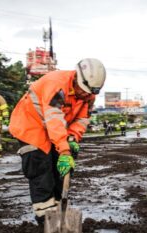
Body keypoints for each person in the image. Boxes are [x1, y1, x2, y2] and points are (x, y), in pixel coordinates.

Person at [9, 58, 106, 224]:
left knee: (60, 172)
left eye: (89, 93)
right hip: (31, 126)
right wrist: (65, 150)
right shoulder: (57, 83)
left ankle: (59, 213)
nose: (85, 95)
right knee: (41, 171)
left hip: (55, 130)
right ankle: (46, 219)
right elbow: (53, 118)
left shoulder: (89, 94)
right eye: (83, 91)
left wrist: (73, 138)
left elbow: (82, 119)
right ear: (76, 77)